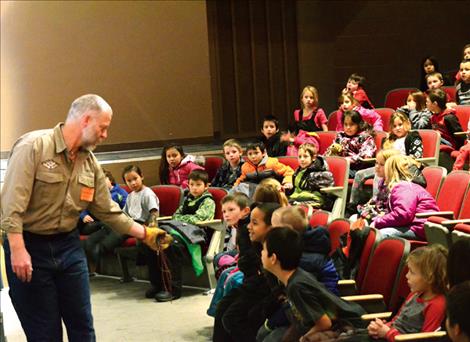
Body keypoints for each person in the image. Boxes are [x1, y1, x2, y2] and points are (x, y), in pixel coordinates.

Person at [0, 94, 168, 341]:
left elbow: (107, 210)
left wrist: (145, 234)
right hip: (29, 246)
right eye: (103, 128)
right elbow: (12, 203)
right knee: (45, 333)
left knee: (83, 327)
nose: (105, 135)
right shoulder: (34, 147)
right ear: (86, 120)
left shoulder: (89, 163)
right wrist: (17, 248)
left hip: (68, 246)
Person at [260, 227, 365, 342]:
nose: (261, 253)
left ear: (273, 258)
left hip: (350, 326)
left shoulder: (296, 286)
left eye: (264, 250)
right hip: (333, 322)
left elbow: (325, 323)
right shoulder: (294, 277)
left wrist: (304, 338)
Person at [213, 202, 280, 342]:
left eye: (254, 223)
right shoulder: (256, 243)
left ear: (272, 226)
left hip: (270, 293)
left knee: (235, 318)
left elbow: (276, 286)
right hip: (256, 285)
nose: (248, 226)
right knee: (222, 308)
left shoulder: (279, 249)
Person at [145, 169, 216, 302]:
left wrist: (183, 218)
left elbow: (199, 219)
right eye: (192, 184)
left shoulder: (207, 201)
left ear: (206, 186)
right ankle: (157, 284)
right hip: (181, 231)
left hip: (195, 235)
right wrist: (184, 218)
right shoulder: (187, 199)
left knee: (171, 245)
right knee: (154, 241)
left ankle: (174, 289)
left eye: (198, 184)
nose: (194, 188)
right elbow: (175, 216)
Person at [368, 245, 447, 341]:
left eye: (412, 272)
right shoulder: (414, 294)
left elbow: (426, 339)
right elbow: (397, 321)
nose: (406, 275)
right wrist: (379, 327)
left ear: (429, 277)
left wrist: (387, 333)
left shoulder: (437, 305)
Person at [349, 111, 423, 207]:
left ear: (407, 123)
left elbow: (416, 156)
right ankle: (352, 204)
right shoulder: (389, 140)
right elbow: (382, 157)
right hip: (385, 165)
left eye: (400, 124)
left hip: (401, 167)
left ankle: (376, 202)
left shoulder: (413, 137)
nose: (398, 128)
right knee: (359, 174)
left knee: (379, 175)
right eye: (394, 126)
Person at [372, 155, 438, 240]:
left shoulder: (404, 187)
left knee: (381, 235)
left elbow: (403, 215)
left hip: (420, 228)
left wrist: (378, 222)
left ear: (391, 171)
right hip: (411, 225)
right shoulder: (400, 186)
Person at [207, 193, 251, 317]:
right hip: (242, 259)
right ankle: (217, 314)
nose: (226, 214)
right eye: (224, 211)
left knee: (230, 276)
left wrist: (237, 267)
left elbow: (250, 255)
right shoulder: (238, 226)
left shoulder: (247, 229)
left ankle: (223, 315)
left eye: (231, 210)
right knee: (220, 262)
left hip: (253, 268)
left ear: (245, 211)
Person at [81, 169, 129, 275]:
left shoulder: (120, 193)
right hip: (95, 223)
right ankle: (89, 268)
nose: (100, 183)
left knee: (104, 234)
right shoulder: (92, 192)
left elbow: (126, 210)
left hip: (113, 224)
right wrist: (84, 215)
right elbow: (82, 206)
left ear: (110, 180)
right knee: (87, 239)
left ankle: (94, 265)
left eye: (103, 179)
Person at [326, 110, 377, 178]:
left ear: (358, 124)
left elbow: (365, 156)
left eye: (351, 124)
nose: (348, 127)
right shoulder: (340, 136)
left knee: (333, 173)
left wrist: (344, 160)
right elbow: (332, 150)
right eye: (345, 124)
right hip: (341, 166)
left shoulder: (366, 137)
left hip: (357, 169)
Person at [286, 143, 334, 208]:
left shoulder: (320, 172)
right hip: (298, 197)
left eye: (305, 156)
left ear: (313, 158)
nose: (302, 159)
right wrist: (290, 187)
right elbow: (298, 188)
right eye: (299, 157)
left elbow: (327, 190)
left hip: (314, 200)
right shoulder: (299, 170)